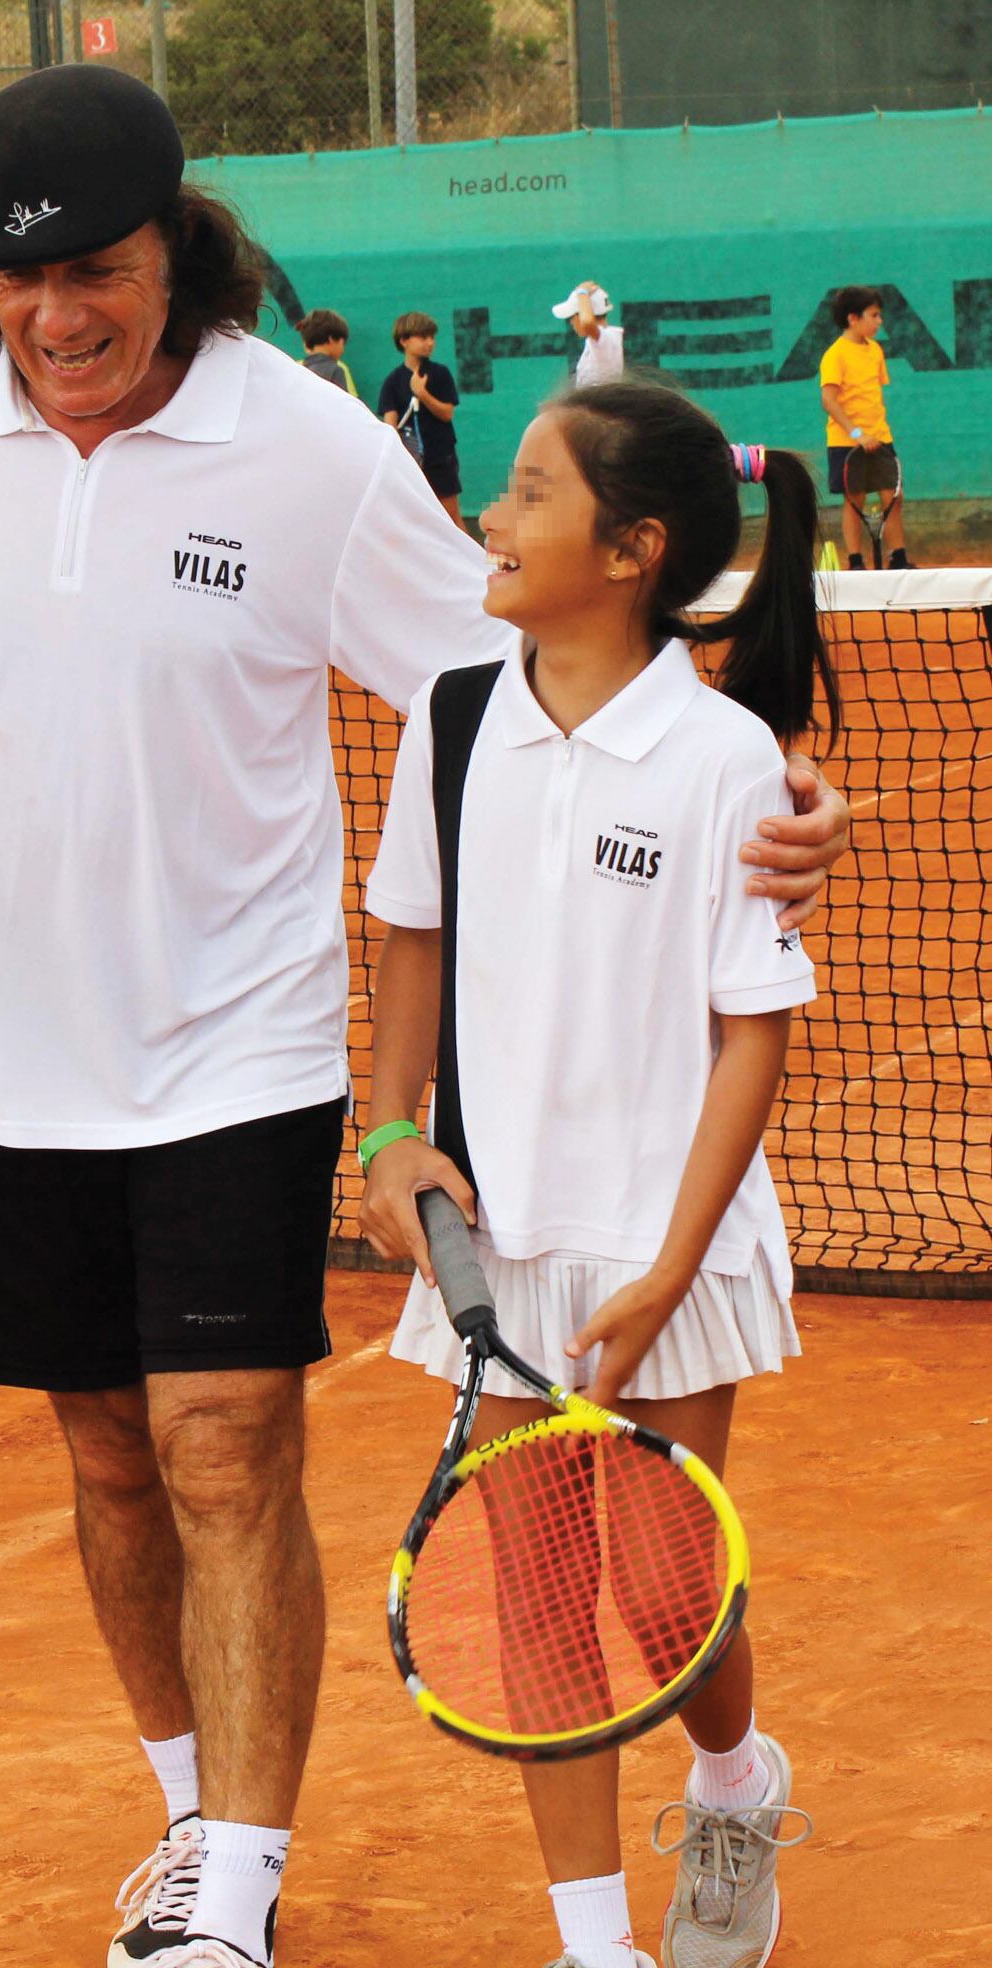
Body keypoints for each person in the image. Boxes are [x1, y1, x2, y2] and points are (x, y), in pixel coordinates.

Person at [0, 62, 849, 1968]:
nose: (52, 324)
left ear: (176, 252)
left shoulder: (301, 448)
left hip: (243, 1041)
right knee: (108, 1456)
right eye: (4, 292)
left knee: (220, 1437)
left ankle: (238, 1890)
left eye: (95, 277)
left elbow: (522, 670)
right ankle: (187, 1820)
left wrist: (761, 792)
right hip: (3, 1050)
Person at [358, 385, 830, 1968]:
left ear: (629, 552)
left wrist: (673, 1267)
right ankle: (594, 1946)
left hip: (665, 1247)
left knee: (669, 1602)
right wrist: (388, 1125)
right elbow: (409, 936)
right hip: (501, 1246)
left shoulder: (724, 761)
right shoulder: (451, 717)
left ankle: (732, 1777)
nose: (489, 519)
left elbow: (749, 1038)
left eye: (526, 494)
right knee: (544, 1595)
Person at [819, 286, 910, 570]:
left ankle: (899, 558)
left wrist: (874, 433)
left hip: (880, 437)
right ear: (853, 318)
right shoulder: (835, 355)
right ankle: (856, 562)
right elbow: (829, 401)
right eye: (874, 315)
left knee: (893, 496)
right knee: (854, 500)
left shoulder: (875, 351)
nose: (880, 321)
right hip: (847, 442)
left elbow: (871, 395)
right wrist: (857, 434)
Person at [377, 310, 467, 531]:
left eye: (432, 337)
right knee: (413, 521)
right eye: (423, 337)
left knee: (451, 517)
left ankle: (475, 565)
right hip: (410, 463)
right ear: (404, 341)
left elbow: (447, 413)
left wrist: (422, 393)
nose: (430, 342)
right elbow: (390, 425)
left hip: (441, 457)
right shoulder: (392, 381)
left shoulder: (441, 374)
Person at [553, 281, 625, 388]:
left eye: (572, 317)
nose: (571, 322)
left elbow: (587, 323)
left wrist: (582, 293)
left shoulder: (609, 339)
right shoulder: (598, 340)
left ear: (581, 315)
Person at [296, 307, 359, 395]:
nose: (343, 349)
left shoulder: (295, 370)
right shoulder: (336, 370)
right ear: (331, 339)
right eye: (342, 343)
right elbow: (344, 405)